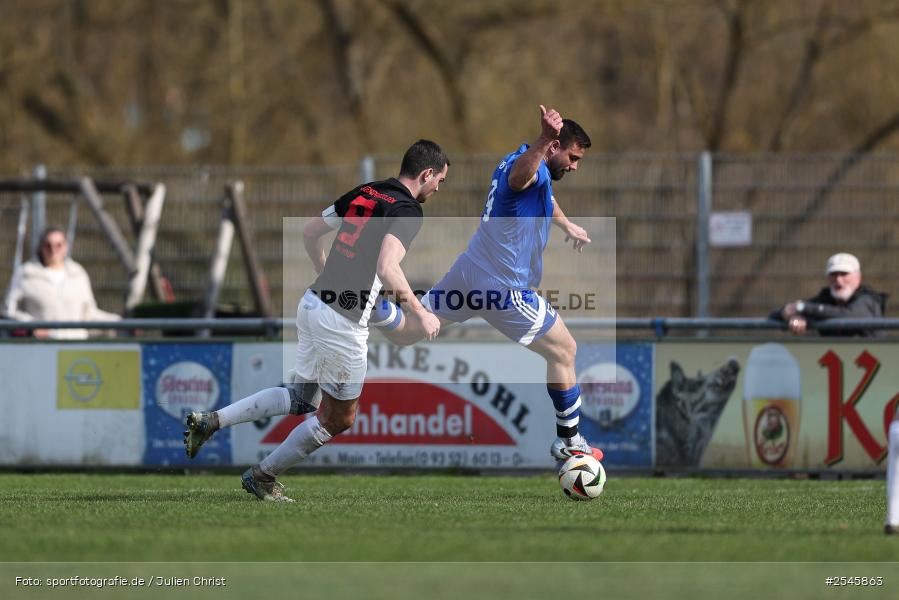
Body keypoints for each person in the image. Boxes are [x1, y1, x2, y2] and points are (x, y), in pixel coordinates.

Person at [184, 140, 448, 502]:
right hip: (341, 320)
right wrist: (422, 313)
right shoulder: (407, 210)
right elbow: (388, 267)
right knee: (339, 418)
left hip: (312, 303)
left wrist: (324, 271)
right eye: (440, 181)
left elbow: (310, 232)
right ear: (426, 174)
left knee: (301, 399)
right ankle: (262, 477)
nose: (438, 189)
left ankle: (211, 421)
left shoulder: (366, 191)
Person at [374, 105, 603, 463]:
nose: (574, 165)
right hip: (504, 287)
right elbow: (520, 180)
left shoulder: (520, 161)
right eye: (573, 157)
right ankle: (570, 441)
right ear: (555, 146)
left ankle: (368, 302)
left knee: (407, 331)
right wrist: (544, 138)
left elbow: (543, 196)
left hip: (471, 270)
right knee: (565, 351)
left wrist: (567, 225)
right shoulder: (531, 165)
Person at [3, 227, 120, 339]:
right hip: (41, 349)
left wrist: (119, 322)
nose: (53, 250)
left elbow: (88, 314)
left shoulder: (78, 273)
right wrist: (31, 326)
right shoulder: (26, 273)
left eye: (58, 245)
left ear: (66, 247)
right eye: (48, 245)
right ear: (41, 247)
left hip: (74, 351)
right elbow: (9, 311)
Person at [770, 253, 886, 337]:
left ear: (858, 277)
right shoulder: (826, 299)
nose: (838, 280)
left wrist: (803, 309)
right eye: (833, 275)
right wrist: (792, 316)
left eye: (844, 274)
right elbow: (775, 315)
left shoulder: (868, 299)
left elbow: (849, 316)